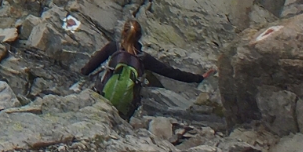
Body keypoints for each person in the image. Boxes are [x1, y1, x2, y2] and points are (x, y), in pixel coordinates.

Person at [79, 19, 214, 119]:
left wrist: (82, 72)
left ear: (123, 33)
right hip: (125, 108)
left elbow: (88, 69)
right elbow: (171, 72)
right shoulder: (144, 58)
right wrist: (199, 78)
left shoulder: (112, 47)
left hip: (103, 96)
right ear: (139, 37)